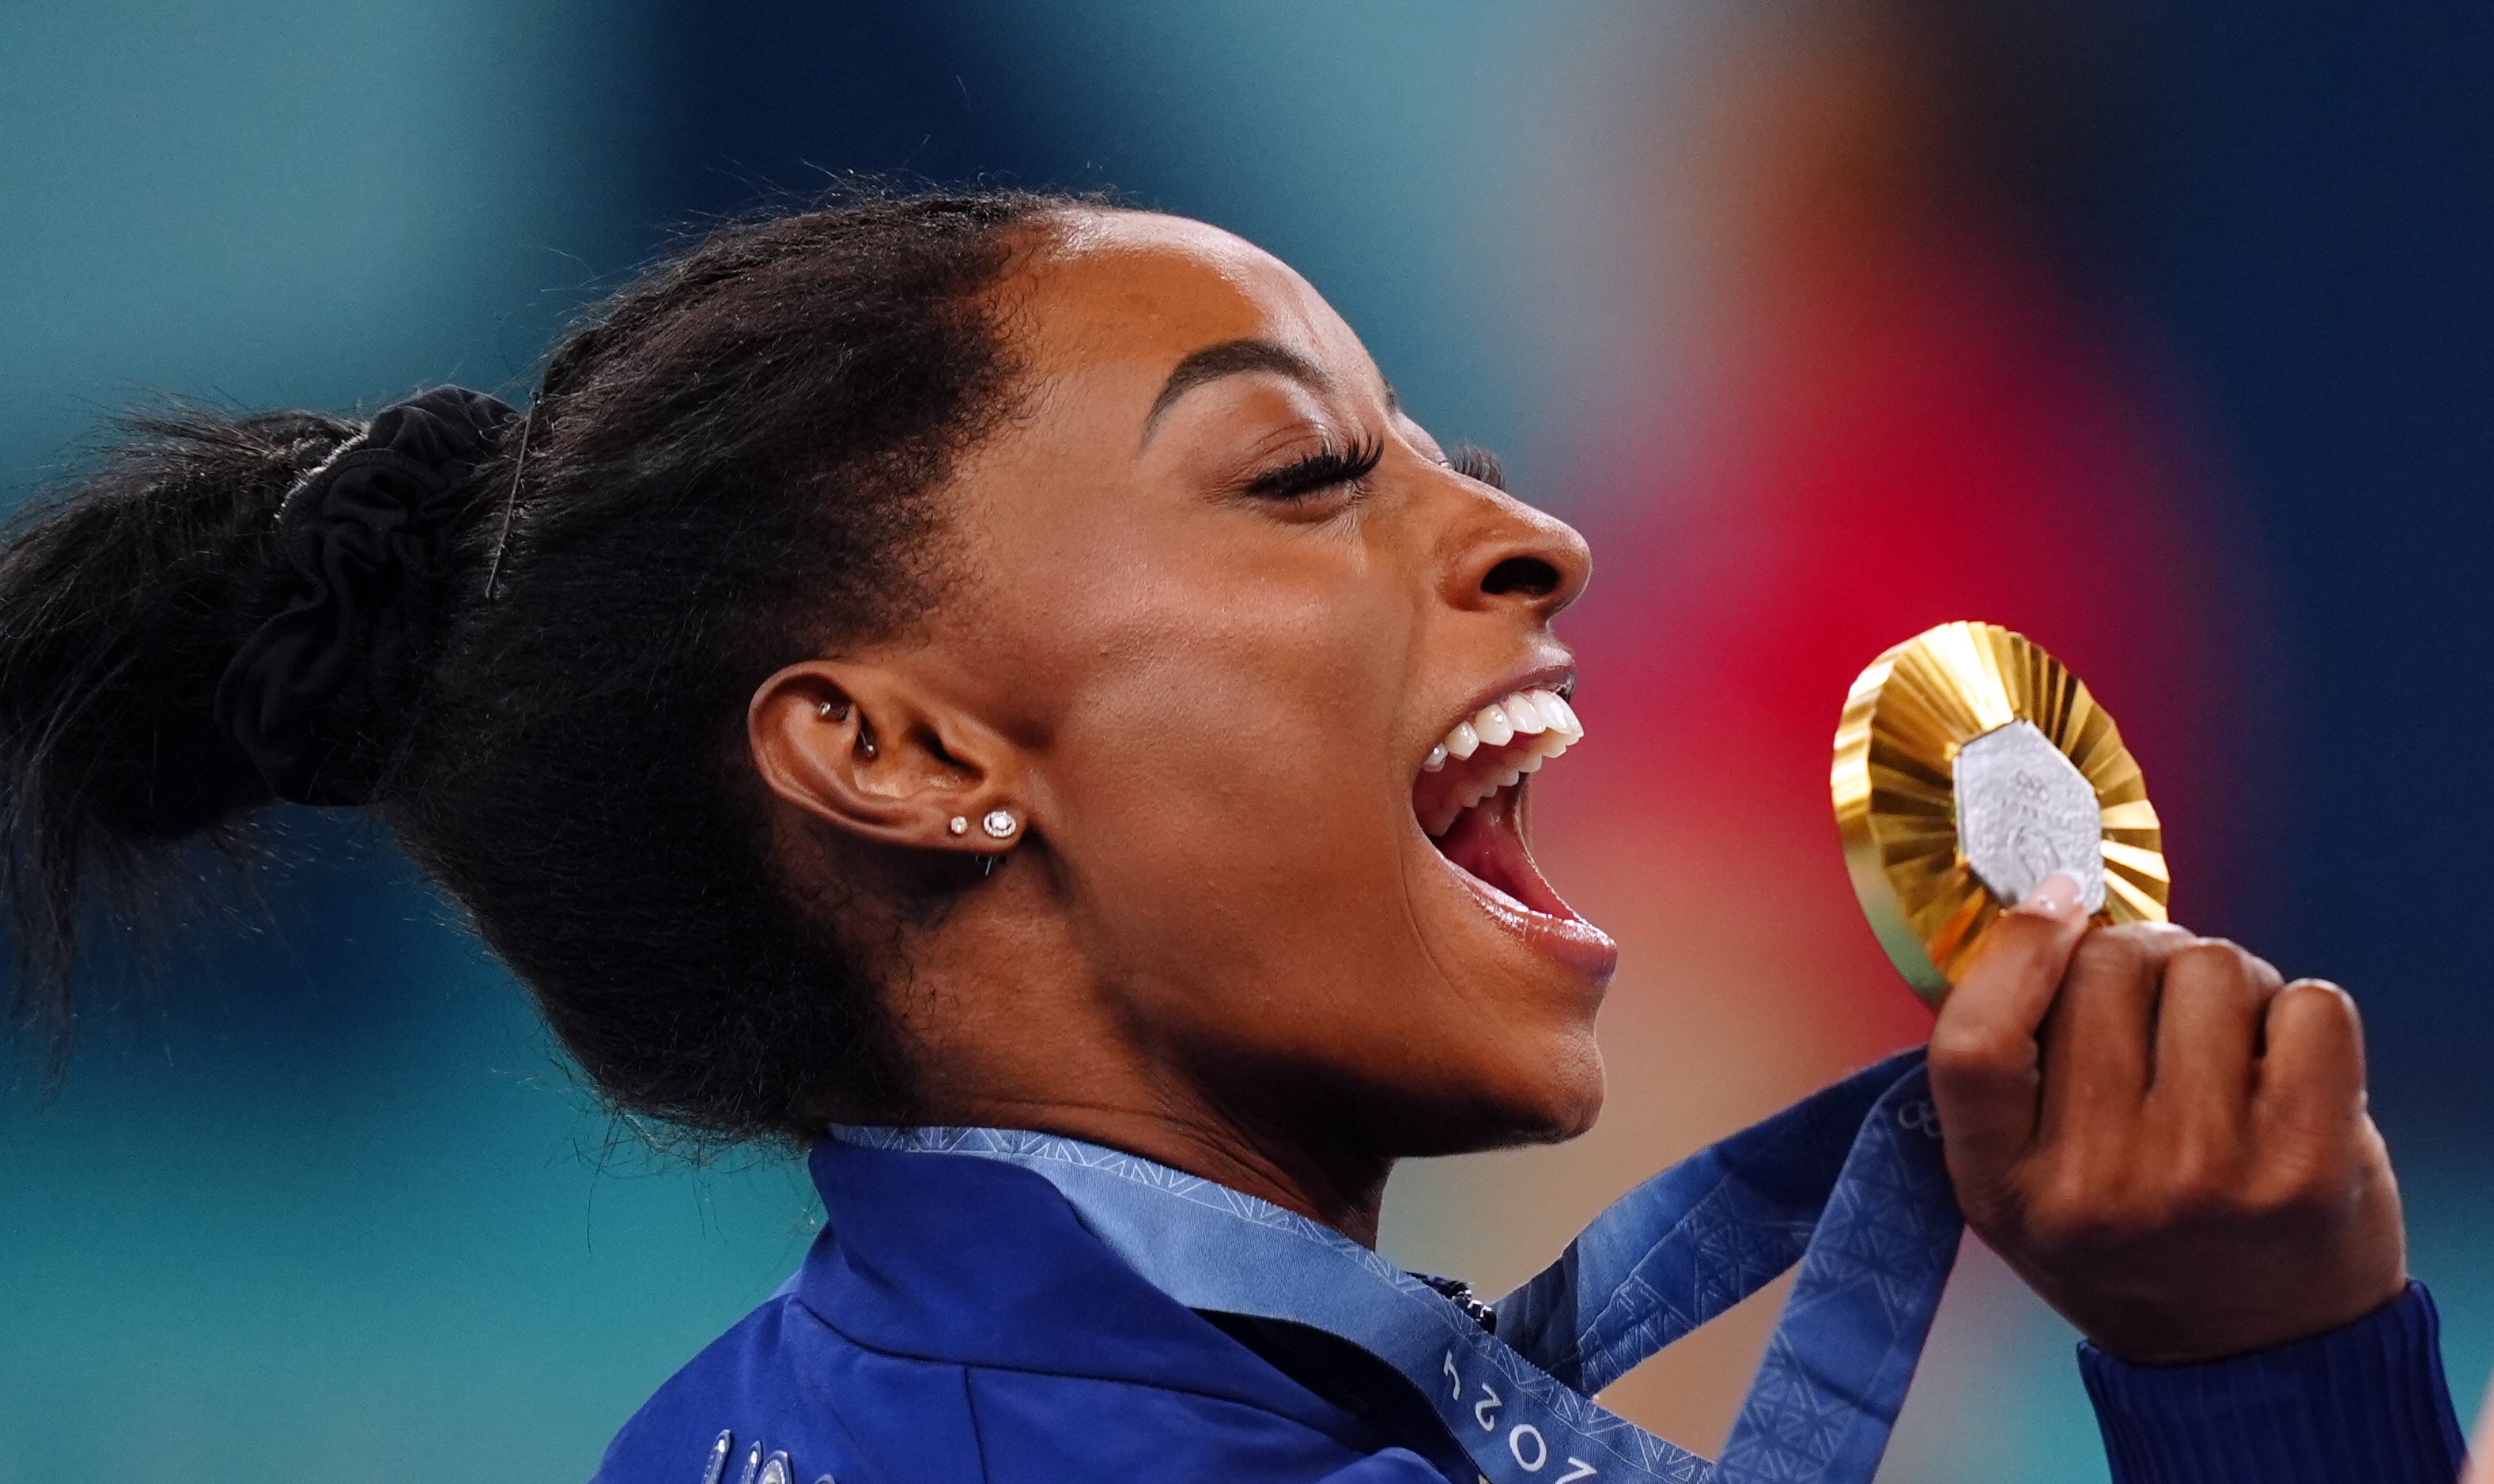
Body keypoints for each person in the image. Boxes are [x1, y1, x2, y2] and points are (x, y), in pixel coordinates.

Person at [0, 191, 2464, 1483]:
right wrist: (2266, 1383)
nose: (1534, 537)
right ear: (892, 749)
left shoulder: (775, 1411)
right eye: (1298, 473)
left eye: (1433, 443)